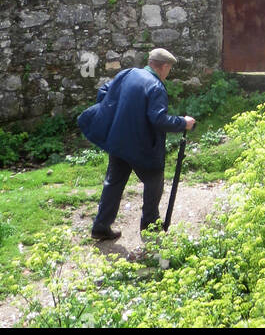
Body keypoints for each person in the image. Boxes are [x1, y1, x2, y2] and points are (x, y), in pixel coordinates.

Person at [78, 47, 196, 241]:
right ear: (164, 67)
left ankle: (101, 226)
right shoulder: (156, 87)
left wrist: (115, 112)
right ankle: (150, 227)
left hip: (118, 140)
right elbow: (158, 120)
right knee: (154, 181)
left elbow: (104, 92)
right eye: (169, 69)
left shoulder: (128, 73)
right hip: (141, 147)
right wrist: (183, 123)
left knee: (113, 182)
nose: (168, 73)